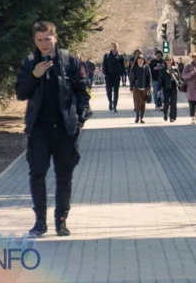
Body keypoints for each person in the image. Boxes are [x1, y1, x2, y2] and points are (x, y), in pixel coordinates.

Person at [15, 21, 89, 237]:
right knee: (37, 174)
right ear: (34, 40)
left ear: (55, 38)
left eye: (48, 39)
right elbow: (21, 93)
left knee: (64, 176)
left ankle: (61, 221)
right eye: (40, 40)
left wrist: (80, 119)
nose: (44, 44)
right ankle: (40, 222)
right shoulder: (30, 62)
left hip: (64, 129)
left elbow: (82, 91)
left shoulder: (69, 60)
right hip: (39, 129)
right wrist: (34, 76)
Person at [129, 54, 152, 124]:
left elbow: (149, 77)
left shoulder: (147, 67)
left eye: (141, 60)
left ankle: (141, 118)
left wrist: (149, 86)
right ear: (137, 61)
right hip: (136, 88)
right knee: (138, 102)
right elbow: (131, 78)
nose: (140, 62)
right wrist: (131, 87)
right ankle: (137, 117)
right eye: (139, 61)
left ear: (143, 61)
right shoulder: (134, 67)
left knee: (143, 103)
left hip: (145, 88)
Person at [102, 43, 125, 112]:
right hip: (109, 76)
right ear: (111, 47)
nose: (115, 48)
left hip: (116, 77)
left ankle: (114, 106)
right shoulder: (107, 55)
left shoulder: (120, 56)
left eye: (116, 46)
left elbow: (123, 66)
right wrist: (105, 74)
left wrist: (121, 74)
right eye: (114, 46)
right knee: (108, 91)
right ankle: (110, 102)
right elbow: (104, 65)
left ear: (118, 47)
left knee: (116, 92)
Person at [159, 56, 181, 122]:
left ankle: (172, 117)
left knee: (173, 102)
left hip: (174, 87)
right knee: (166, 102)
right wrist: (159, 88)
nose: (169, 61)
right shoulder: (163, 69)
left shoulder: (175, 69)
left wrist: (179, 85)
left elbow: (179, 78)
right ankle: (165, 113)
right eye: (167, 60)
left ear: (172, 61)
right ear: (165, 61)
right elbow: (160, 79)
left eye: (170, 60)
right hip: (166, 87)